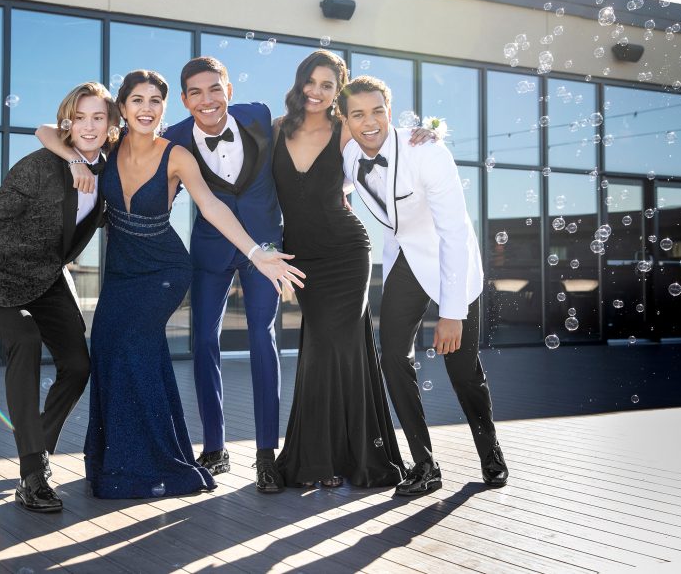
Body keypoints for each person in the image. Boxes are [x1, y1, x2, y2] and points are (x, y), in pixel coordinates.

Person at [36, 70, 304, 499]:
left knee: (135, 346)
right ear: (121, 109)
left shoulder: (177, 154)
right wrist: (72, 161)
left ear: (165, 107)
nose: (146, 108)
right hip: (122, 270)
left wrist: (256, 253)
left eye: (155, 101)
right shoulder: (106, 143)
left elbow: (212, 206)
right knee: (106, 349)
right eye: (137, 100)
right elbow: (46, 130)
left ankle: (158, 459)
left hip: (164, 269)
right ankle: (115, 460)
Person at [0, 81, 118, 513]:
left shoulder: (111, 170)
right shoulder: (39, 166)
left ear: (112, 124)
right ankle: (33, 473)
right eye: (80, 117)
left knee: (78, 366)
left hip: (48, 278)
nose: (89, 126)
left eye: (98, 117)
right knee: (24, 340)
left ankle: (36, 442)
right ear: (68, 122)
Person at [338, 75, 508, 496]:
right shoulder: (347, 157)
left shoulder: (426, 150)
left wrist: (452, 313)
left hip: (454, 260)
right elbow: (341, 187)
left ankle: (491, 455)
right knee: (392, 354)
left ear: (389, 112)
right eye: (357, 114)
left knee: (463, 370)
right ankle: (425, 465)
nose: (370, 122)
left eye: (378, 111)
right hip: (409, 259)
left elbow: (453, 231)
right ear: (345, 120)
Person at [271, 50, 411, 489]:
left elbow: (386, 142)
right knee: (319, 348)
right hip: (302, 257)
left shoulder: (345, 130)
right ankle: (319, 459)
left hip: (346, 252)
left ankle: (348, 459)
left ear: (338, 90)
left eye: (327, 85)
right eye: (310, 82)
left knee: (337, 346)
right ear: (299, 83)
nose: (316, 91)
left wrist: (421, 135)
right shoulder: (276, 129)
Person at [161, 57, 285, 492]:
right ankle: (215, 447)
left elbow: (317, 132)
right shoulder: (173, 138)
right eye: (195, 92)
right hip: (211, 252)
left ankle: (267, 453)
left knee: (261, 338)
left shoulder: (261, 116)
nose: (207, 99)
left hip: (264, 249)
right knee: (202, 343)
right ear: (184, 100)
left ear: (228, 91)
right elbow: (154, 192)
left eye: (215, 89)